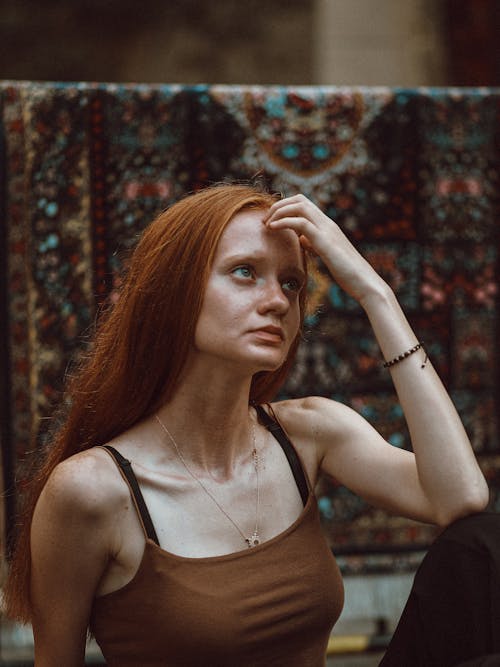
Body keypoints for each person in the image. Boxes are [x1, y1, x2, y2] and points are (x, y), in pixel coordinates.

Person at [2, 183, 492, 666]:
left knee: (480, 545)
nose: (278, 301)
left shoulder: (308, 433)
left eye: (292, 284)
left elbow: (460, 499)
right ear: (176, 291)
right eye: (245, 272)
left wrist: (375, 292)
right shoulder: (91, 491)